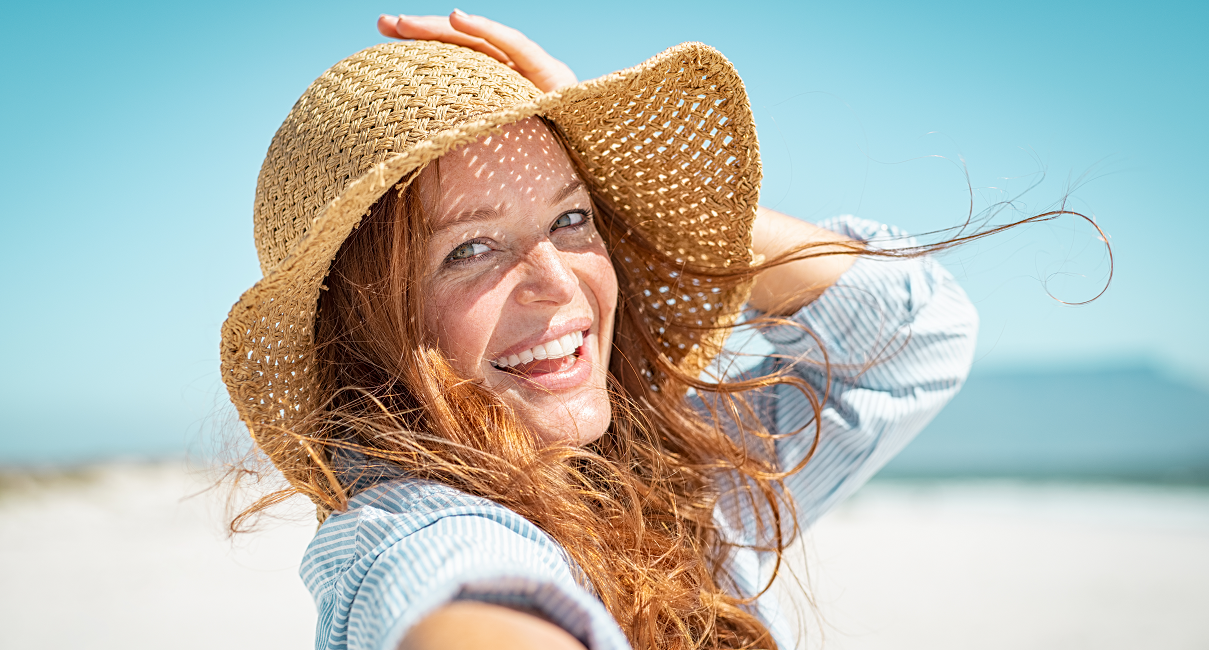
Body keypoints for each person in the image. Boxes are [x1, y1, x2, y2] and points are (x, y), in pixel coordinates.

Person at [220, 11, 985, 650]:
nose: (559, 282)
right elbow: (462, 598)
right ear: (365, 326)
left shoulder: (668, 482)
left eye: (572, 218)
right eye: (470, 248)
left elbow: (918, 335)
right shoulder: (412, 531)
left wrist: (647, 197)